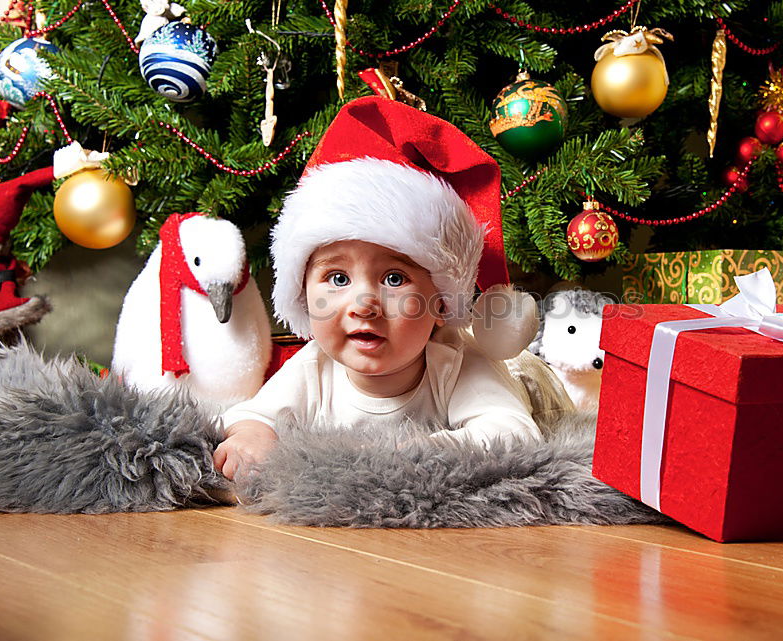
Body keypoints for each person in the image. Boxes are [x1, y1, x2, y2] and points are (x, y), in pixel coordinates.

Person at [213, 96, 552, 480]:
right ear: (303, 294)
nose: (363, 304)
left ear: (441, 302)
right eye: (337, 278)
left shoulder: (456, 365)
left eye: (394, 278)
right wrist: (252, 436)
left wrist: (433, 449)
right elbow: (252, 416)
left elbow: (514, 433)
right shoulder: (314, 368)